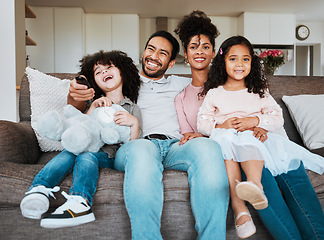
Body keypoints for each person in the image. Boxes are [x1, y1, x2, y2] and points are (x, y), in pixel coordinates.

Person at [174, 11, 324, 240]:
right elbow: (202, 124)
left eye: (245, 59)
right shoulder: (209, 94)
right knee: (263, 188)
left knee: (301, 193)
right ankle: (247, 205)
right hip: (244, 151)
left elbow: (276, 116)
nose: (239, 64)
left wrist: (257, 122)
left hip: (275, 145)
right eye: (193, 47)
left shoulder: (258, 90)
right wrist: (222, 126)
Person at [68, 30, 229, 240]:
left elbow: (213, 84)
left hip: (175, 145)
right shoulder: (123, 80)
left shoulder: (179, 83)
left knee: (209, 147)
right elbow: (84, 99)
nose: (154, 56)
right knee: (143, 150)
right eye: (151, 49)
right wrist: (74, 93)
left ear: (171, 63)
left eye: (163, 53)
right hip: (137, 144)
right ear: (143, 53)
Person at [20, 50, 142, 228]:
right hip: (85, 146)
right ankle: (38, 190)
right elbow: (84, 126)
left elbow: (135, 145)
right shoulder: (94, 102)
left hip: (108, 155)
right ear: (94, 82)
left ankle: (80, 200)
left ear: (123, 71)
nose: (104, 72)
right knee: (70, 151)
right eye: (98, 72)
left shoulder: (132, 108)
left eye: (109, 68)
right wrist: (92, 106)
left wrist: (134, 124)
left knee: (87, 156)